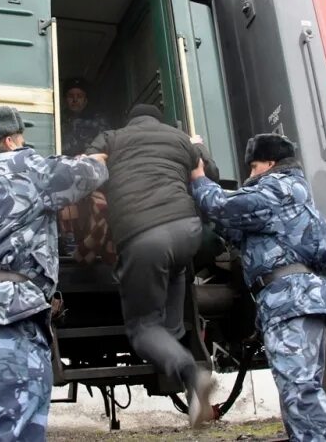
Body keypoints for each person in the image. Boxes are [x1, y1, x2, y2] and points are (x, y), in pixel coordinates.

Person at [0, 106, 108, 441]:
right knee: (14, 431)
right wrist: (99, 160)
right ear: (11, 141)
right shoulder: (22, 166)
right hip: (10, 316)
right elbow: (82, 176)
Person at [189, 133, 326, 441]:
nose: (250, 175)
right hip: (295, 301)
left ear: (270, 163)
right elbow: (237, 227)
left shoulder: (278, 188)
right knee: (296, 391)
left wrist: (198, 177)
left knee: (299, 392)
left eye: (253, 167)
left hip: (290, 301)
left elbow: (222, 205)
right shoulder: (289, 195)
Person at [86, 103, 214, 427]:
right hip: (188, 232)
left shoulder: (111, 138)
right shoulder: (179, 138)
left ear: (130, 121)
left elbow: (88, 173)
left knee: (143, 328)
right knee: (169, 319)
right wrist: (197, 145)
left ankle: (189, 372)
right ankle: (191, 391)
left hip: (144, 238)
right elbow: (208, 172)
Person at [61, 77, 109, 156]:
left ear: (85, 100)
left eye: (79, 96)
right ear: (65, 100)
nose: (75, 99)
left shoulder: (98, 121)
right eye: (70, 96)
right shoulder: (57, 121)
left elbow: (105, 146)